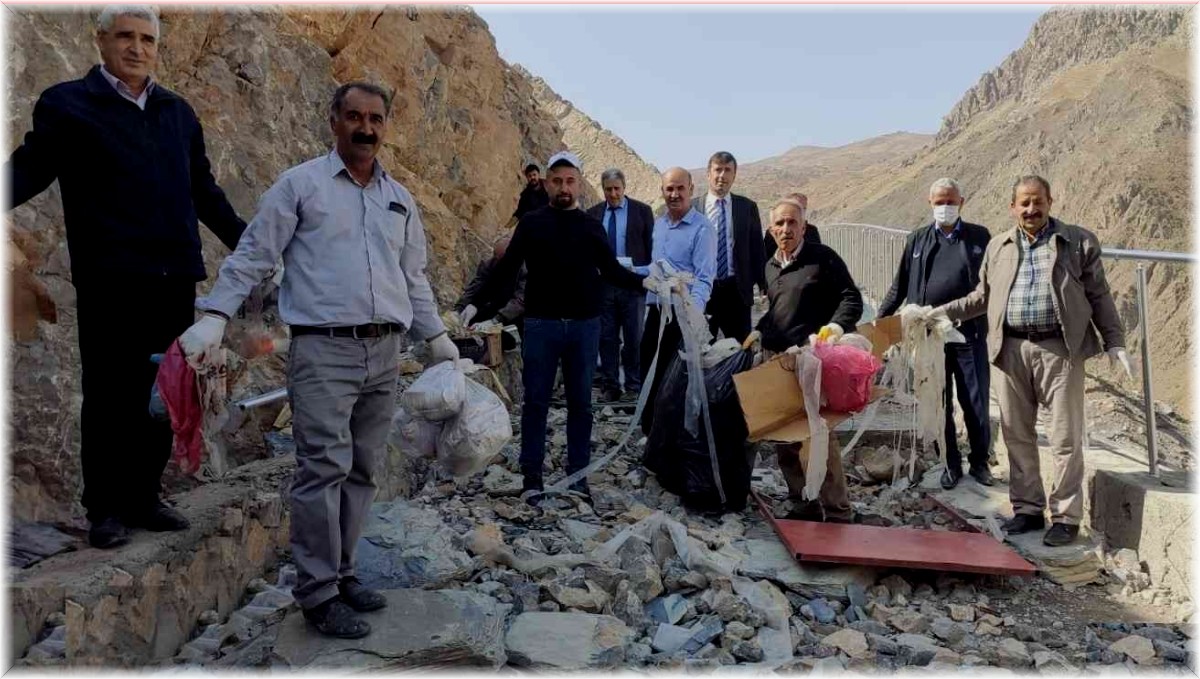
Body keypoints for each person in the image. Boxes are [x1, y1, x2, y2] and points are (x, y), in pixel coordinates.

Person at [179, 82, 460, 638]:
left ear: (386, 126)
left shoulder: (399, 198)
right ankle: (317, 593)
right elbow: (254, 254)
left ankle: (345, 573)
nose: (365, 127)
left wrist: (437, 338)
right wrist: (215, 314)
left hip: (385, 350)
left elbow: (414, 277)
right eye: (354, 116)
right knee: (321, 470)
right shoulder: (300, 186)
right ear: (333, 120)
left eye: (375, 119)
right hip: (323, 349)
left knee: (362, 469)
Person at [5, 5, 248, 549]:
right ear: (101, 40)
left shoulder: (177, 112)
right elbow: (30, 167)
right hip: (110, 275)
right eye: (125, 37)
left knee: (163, 389)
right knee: (110, 391)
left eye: (147, 39)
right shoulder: (68, 104)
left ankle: (144, 495)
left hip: (172, 274)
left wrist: (251, 244)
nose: (136, 48)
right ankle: (105, 508)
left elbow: (204, 191)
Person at [939, 175, 1130, 547]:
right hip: (1010, 349)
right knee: (1017, 433)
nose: (1031, 209)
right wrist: (939, 314)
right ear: (1013, 207)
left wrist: (1114, 340)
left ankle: (1065, 516)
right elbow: (981, 297)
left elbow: (1099, 294)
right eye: (1024, 203)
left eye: (1037, 201)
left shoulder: (1077, 241)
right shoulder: (999, 246)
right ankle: (1027, 509)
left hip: (1059, 349)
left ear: (1050, 201)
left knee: (1064, 437)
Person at [482, 151, 649, 501]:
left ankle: (578, 476)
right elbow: (507, 268)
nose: (564, 187)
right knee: (536, 403)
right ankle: (532, 478)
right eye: (557, 181)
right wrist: (476, 307)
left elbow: (612, 270)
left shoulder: (591, 226)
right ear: (546, 183)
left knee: (581, 404)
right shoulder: (531, 223)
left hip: (584, 327)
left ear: (579, 184)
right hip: (541, 325)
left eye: (570, 181)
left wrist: (649, 283)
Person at [879, 178, 994, 490]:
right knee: (937, 402)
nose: (945, 207)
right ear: (930, 203)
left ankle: (981, 461)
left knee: (976, 399)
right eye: (940, 202)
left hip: (967, 334)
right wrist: (881, 321)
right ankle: (949, 462)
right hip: (929, 338)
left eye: (951, 201)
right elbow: (899, 286)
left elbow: (992, 284)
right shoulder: (917, 240)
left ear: (962, 202)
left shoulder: (979, 237)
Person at [756, 197, 863, 521]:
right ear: (771, 229)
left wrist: (834, 326)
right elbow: (779, 311)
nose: (786, 229)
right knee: (784, 437)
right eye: (780, 224)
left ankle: (837, 510)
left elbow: (851, 298)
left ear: (804, 227)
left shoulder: (822, 258)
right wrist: (757, 331)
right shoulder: (770, 266)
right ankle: (802, 503)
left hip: (812, 359)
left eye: (792, 223)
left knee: (818, 437)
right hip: (778, 361)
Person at [638, 167, 717, 434]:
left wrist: (693, 315)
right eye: (669, 189)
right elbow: (655, 267)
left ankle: (675, 439)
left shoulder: (702, 228)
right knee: (649, 371)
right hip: (657, 312)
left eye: (680, 188)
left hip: (683, 317)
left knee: (677, 381)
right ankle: (649, 435)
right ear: (662, 192)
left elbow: (704, 278)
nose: (675, 194)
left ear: (691, 190)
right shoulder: (659, 225)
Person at [586, 168, 655, 402]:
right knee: (607, 338)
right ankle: (610, 385)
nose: (613, 193)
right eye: (608, 189)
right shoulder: (593, 214)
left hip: (633, 286)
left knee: (634, 337)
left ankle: (634, 386)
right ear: (603, 189)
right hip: (604, 286)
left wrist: (644, 274)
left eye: (617, 188)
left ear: (624, 188)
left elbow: (650, 248)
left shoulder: (642, 212)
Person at [690, 151, 766, 343]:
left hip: (737, 291)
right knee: (701, 348)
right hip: (703, 290)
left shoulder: (747, 207)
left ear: (734, 174)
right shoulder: (693, 208)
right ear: (708, 174)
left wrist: (765, 284)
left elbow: (757, 248)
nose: (722, 176)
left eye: (727, 170)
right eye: (717, 170)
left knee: (741, 348)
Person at [454, 234, 527, 341]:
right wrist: (459, 311)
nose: (498, 262)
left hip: (515, 314)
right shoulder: (489, 264)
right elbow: (474, 289)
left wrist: (496, 320)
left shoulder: (526, 269)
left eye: (501, 259)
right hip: (493, 306)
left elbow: (520, 301)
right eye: (495, 256)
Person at [762, 192, 822, 258]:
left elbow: (818, 251)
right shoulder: (774, 231)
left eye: (803, 208)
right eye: (797, 206)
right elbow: (768, 254)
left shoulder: (812, 230)